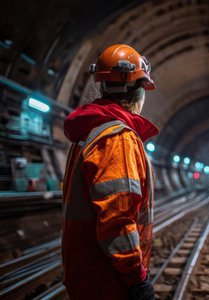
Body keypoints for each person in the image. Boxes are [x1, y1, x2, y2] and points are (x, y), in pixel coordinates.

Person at [62, 44, 159, 299]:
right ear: (139, 93)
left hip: (89, 273)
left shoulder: (90, 134)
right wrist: (137, 279)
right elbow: (117, 220)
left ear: (103, 88)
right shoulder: (118, 138)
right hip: (108, 280)